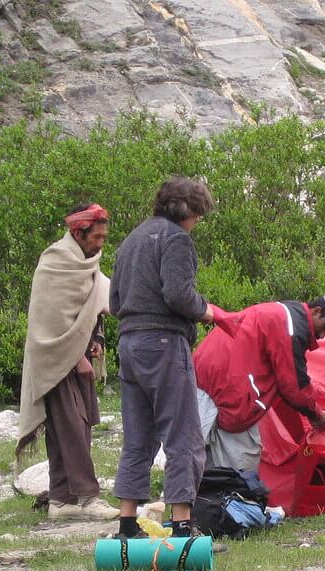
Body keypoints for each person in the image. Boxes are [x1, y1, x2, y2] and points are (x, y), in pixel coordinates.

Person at [110, 177, 218, 539]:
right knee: (183, 434)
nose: (197, 222)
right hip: (163, 343)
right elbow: (179, 295)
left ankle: (127, 525)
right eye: (198, 214)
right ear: (186, 209)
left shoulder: (130, 241)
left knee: (138, 436)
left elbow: (114, 303)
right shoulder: (175, 238)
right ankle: (183, 525)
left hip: (128, 344)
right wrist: (206, 310)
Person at [16, 203, 120, 521]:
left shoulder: (87, 262)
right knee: (72, 426)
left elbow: (92, 304)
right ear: (78, 232)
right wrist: (77, 359)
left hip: (78, 355)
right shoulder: (56, 261)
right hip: (55, 360)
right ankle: (89, 498)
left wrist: (97, 341)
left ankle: (61, 500)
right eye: (97, 237)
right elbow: (51, 321)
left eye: (104, 237)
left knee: (72, 427)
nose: (101, 243)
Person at [193, 293, 325, 472]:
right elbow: (293, 386)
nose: (324, 335)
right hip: (223, 380)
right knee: (240, 467)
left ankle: (190, 495)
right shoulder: (292, 328)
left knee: (196, 453)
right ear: (317, 311)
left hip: (208, 370)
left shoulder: (286, 312)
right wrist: (315, 414)